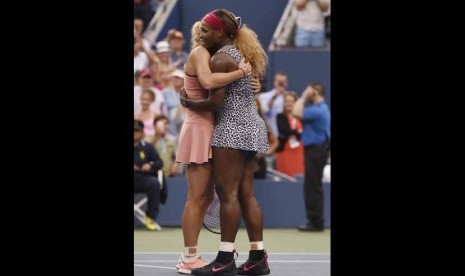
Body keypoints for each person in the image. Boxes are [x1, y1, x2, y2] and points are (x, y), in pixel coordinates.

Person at [180, 9, 271, 276]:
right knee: (247, 195)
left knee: (227, 195)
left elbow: (212, 102)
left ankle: (225, 259)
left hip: (231, 130)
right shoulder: (244, 55)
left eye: (207, 30)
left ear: (221, 32)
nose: (201, 34)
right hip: (253, 128)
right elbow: (252, 86)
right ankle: (257, 257)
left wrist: (187, 101)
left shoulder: (220, 59)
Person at [292, 83, 330, 232]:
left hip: (316, 150)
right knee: (312, 185)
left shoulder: (318, 110)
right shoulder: (319, 109)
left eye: (310, 91)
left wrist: (303, 96)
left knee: (312, 186)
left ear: (314, 92)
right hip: (315, 150)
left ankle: (316, 222)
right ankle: (315, 220)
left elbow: (295, 112)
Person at [134, 119, 164, 231]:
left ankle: (150, 217)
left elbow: (159, 162)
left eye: (137, 131)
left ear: (142, 133)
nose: (134, 133)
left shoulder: (148, 147)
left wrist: (150, 165)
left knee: (154, 183)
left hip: (141, 179)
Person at [276, 92, 305, 177]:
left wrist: (293, 133)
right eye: (286, 101)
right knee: (285, 176)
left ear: (295, 103)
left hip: (299, 152)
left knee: (299, 176)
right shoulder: (280, 116)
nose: (289, 103)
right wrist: (297, 132)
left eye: (291, 101)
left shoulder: (301, 117)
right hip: (284, 151)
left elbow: (303, 133)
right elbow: (284, 130)